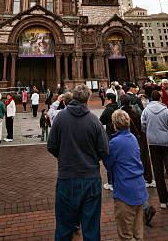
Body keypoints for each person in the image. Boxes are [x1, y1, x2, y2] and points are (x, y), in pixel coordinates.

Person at [47, 84, 109, 241]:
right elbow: (104, 150)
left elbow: (52, 146)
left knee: (63, 228)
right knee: (91, 229)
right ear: (87, 100)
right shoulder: (94, 120)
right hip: (91, 179)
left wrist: (65, 157)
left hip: (66, 178)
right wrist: (90, 159)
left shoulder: (60, 118)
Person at [104, 110, 149, 241]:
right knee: (138, 232)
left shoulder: (115, 142)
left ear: (114, 125)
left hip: (125, 190)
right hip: (139, 188)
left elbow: (108, 164)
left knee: (126, 235)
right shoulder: (133, 138)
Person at [141, 90, 168, 212]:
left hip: (153, 143)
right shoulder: (166, 111)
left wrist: (150, 133)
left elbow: (143, 125)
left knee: (157, 172)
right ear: (160, 98)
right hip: (166, 143)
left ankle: (163, 201)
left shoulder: (146, 110)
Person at [120, 95, 156, 226]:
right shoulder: (135, 113)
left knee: (128, 179)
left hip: (126, 150)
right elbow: (142, 126)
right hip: (137, 146)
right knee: (135, 176)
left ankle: (141, 209)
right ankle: (145, 206)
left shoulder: (121, 115)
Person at [100, 92, 119, 191]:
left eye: (106, 99)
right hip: (119, 136)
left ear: (110, 100)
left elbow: (101, 121)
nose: (105, 100)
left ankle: (111, 182)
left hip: (110, 137)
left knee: (110, 160)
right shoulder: (118, 108)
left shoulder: (108, 109)